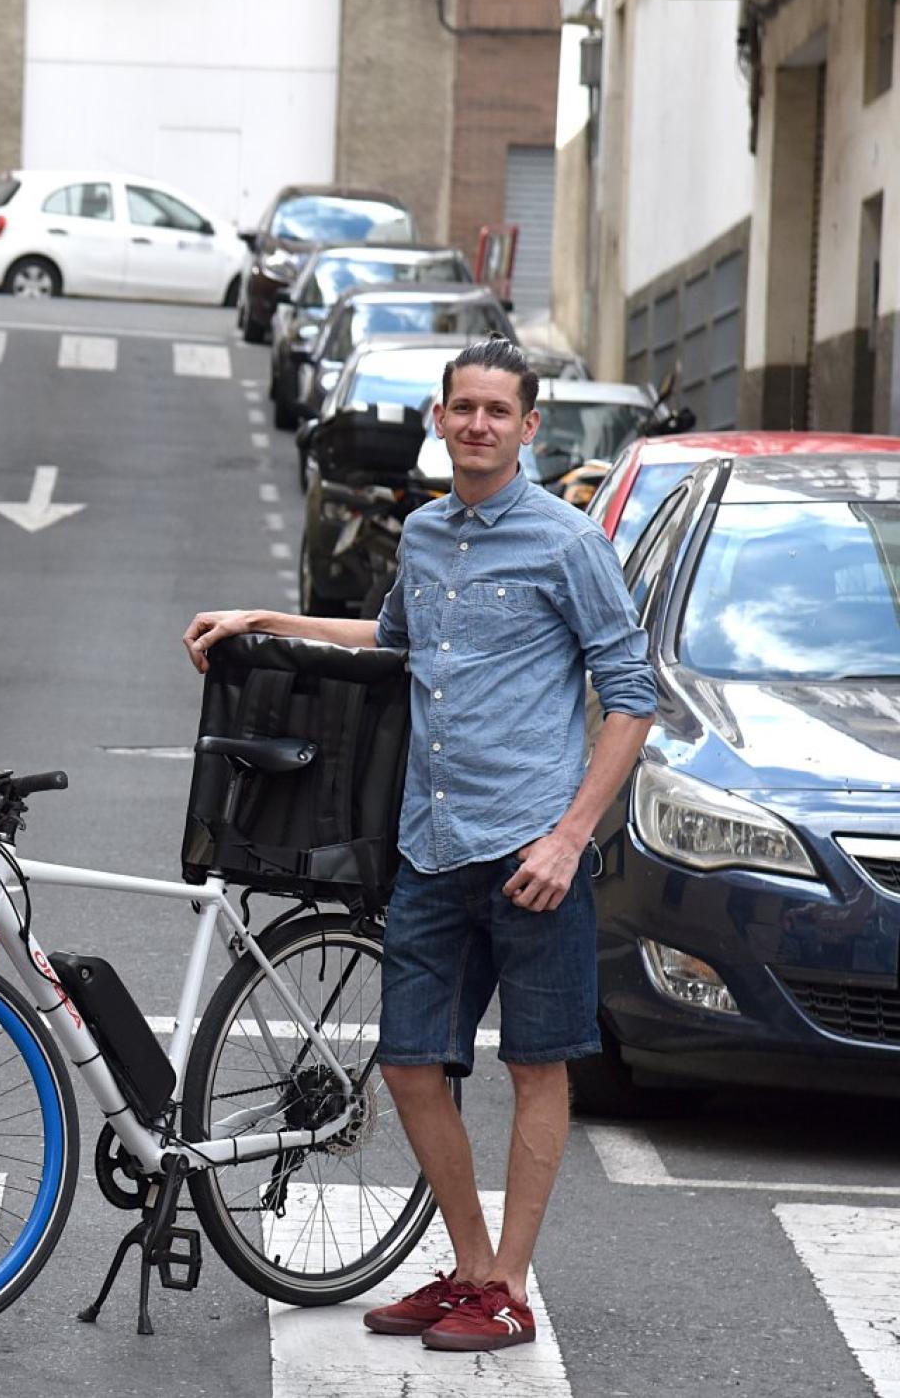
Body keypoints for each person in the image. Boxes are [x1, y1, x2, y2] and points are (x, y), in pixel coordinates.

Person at [182, 336, 654, 1352]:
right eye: (463, 407)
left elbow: (632, 700)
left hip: (533, 852)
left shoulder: (570, 545)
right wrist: (267, 617)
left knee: (537, 1064)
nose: (477, 423)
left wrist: (571, 838)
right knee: (406, 1066)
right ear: (440, 420)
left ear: (530, 427)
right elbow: (391, 645)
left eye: (498, 410)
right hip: (433, 847)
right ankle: (474, 1268)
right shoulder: (428, 535)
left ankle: (509, 1288)